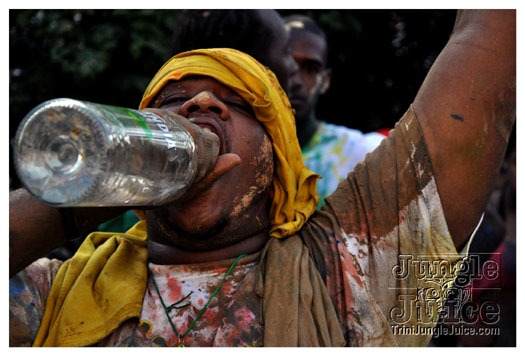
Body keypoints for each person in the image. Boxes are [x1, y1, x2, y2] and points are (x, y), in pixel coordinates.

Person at [9, 10, 515, 347]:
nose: (199, 106)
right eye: (170, 107)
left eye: (236, 103)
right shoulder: (54, 289)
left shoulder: (349, 270)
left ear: (278, 162)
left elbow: (490, 39)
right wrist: (105, 170)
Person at [284, 15, 385, 206]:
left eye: (310, 68)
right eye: (287, 64)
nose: (295, 80)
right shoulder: (238, 153)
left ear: (326, 80)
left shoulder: (359, 156)